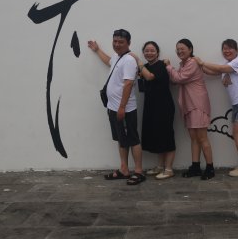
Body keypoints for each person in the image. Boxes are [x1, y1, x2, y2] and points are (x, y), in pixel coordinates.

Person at [87, 29, 145, 185]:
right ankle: (124, 169)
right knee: (121, 139)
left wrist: (122, 107)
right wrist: (97, 50)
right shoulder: (117, 57)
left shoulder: (129, 60)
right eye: (115, 41)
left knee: (133, 139)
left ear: (128, 43)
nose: (117, 44)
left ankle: (138, 171)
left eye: (121, 42)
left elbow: (128, 84)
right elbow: (109, 61)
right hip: (113, 107)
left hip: (125, 109)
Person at [195, 39, 238, 177]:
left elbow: (220, 69)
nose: (227, 51)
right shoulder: (227, 64)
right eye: (224, 48)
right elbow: (213, 71)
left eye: (230, 48)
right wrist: (198, 64)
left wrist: (202, 62)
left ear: (236, 50)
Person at [165, 39, 215, 180]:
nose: (179, 51)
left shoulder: (192, 62)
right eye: (178, 49)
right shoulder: (183, 64)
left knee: (202, 137)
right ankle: (195, 167)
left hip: (198, 104)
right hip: (189, 105)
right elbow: (175, 80)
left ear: (190, 49)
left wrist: (168, 67)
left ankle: (210, 168)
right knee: (194, 138)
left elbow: (180, 78)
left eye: (182, 49)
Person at [132, 41, 176, 180]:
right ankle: (160, 166)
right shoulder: (145, 67)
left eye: (152, 50)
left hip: (164, 106)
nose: (149, 53)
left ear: (157, 52)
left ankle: (169, 169)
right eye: (146, 51)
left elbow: (150, 77)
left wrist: (139, 62)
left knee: (166, 136)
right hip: (151, 106)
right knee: (157, 136)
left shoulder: (162, 65)